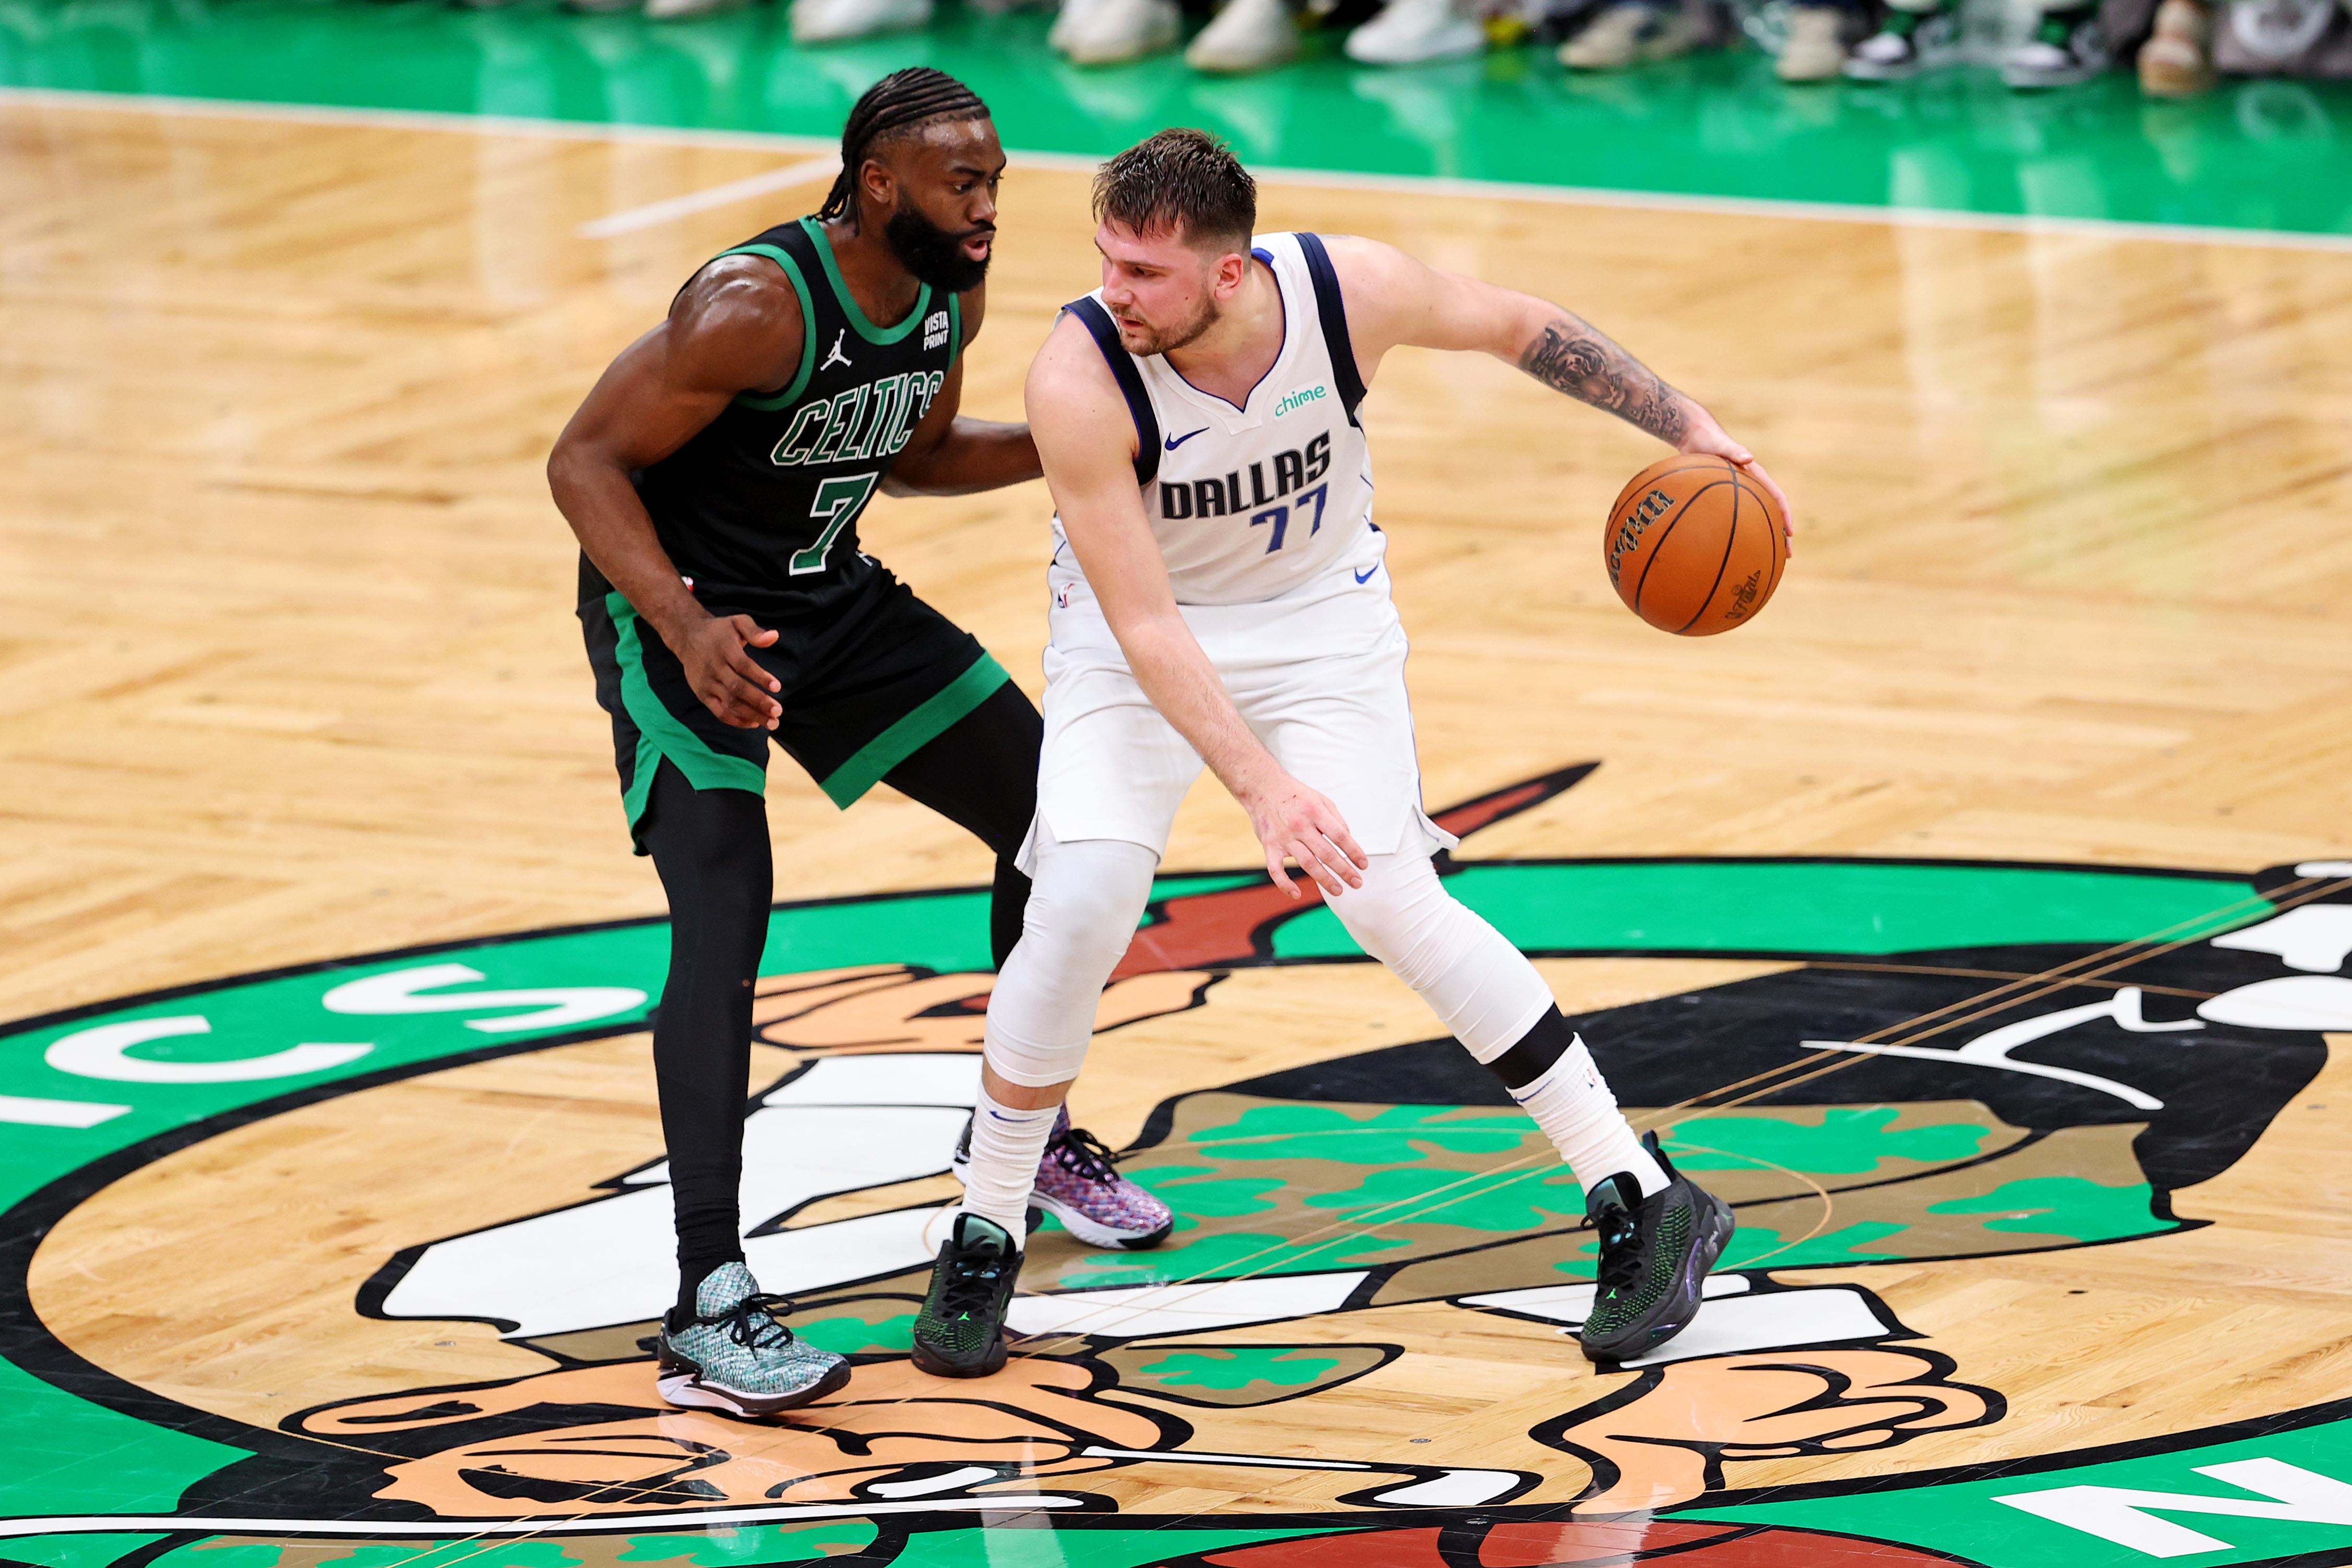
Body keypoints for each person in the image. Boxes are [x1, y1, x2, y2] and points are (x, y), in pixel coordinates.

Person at [913, 128, 1790, 1381]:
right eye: (1107, 259)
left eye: (1144, 273)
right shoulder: (1079, 376)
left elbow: (1521, 328)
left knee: (1387, 897)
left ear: (1229, 274)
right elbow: (1147, 624)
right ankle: (985, 1225)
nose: (1115, 289)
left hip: (1322, 626)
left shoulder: (1345, 291)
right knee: (1085, 899)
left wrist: (1690, 424)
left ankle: (1642, 1196)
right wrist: (1263, 789)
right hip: (1133, 647)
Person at [546, 68, 1166, 1420]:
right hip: (683, 618)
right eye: (964, 181)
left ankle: (1025, 1132)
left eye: (996, 179)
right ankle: (706, 1293)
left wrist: (1083, 442)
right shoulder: (753, 306)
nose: (989, 203)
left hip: (830, 598)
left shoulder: (947, 288)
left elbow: (914, 454)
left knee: (1060, 823)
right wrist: (688, 623)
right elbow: (584, 463)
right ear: (879, 182)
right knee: (724, 920)